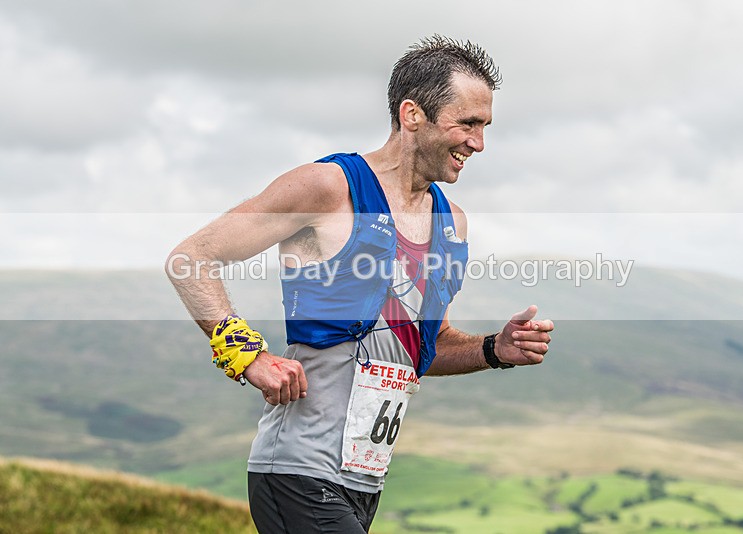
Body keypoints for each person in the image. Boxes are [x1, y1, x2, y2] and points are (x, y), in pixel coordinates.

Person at [166, 35, 554, 534]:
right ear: (412, 114)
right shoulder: (329, 187)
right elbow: (192, 258)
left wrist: (493, 349)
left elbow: (422, 349)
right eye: (468, 123)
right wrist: (246, 355)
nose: (478, 143)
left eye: (485, 127)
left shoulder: (451, 221)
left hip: (364, 484)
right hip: (297, 472)